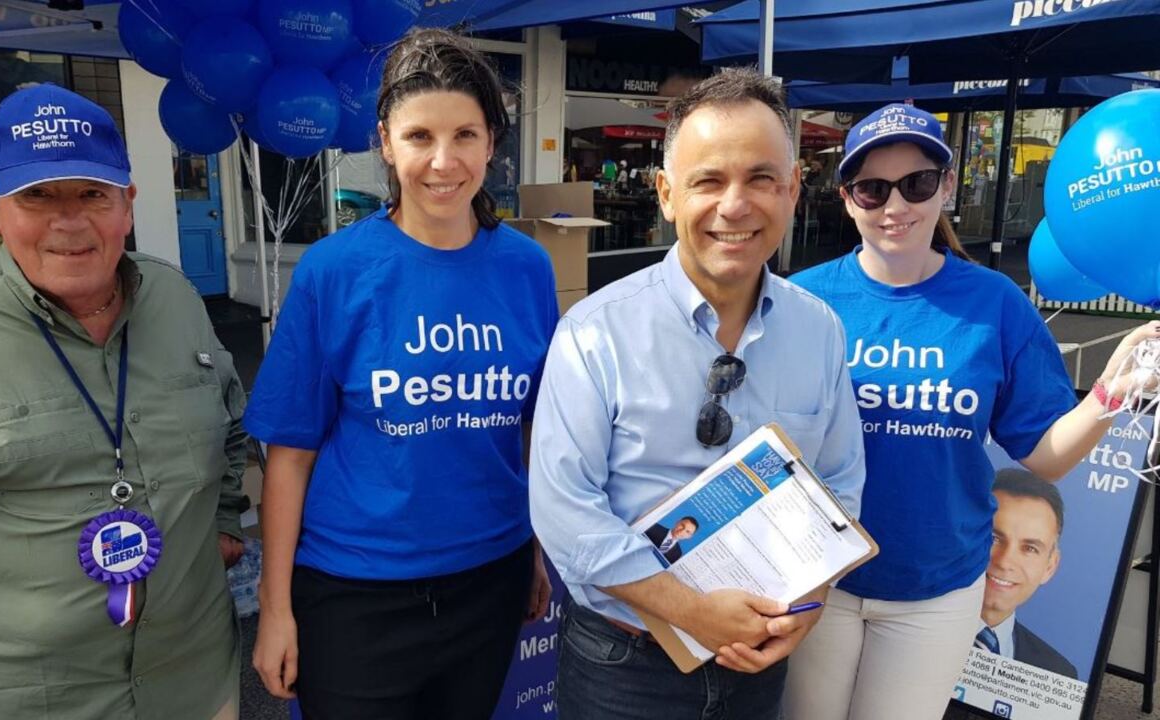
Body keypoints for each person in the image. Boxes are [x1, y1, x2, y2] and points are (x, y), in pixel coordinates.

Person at [0, 84, 247, 719]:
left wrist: (221, 526)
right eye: (38, 196)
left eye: (91, 194)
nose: (68, 221)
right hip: (27, 703)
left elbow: (232, 429)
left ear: (127, 204)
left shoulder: (177, 301)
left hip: (195, 682)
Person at [783, 103, 1160, 720]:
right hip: (820, 579)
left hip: (936, 590)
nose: (895, 207)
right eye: (873, 189)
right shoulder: (804, 300)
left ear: (948, 186)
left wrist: (1109, 394)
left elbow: (1044, 456)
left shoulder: (996, 304)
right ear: (848, 199)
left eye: (917, 184)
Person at [529, 68, 865, 720]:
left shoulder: (819, 331)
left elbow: (840, 483)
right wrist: (691, 611)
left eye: (762, 178)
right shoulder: (593, 334)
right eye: (708, 180)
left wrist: (810, 604)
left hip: (760, 662)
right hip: (623, 669)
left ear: (794, 188)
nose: (735, 205)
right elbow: (564, 512)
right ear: (665, 194)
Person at [245, 28, 558, 719]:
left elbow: (535, 431)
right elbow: (288, 457)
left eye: (465, 136)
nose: (443, 162)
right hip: (356, 592)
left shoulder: (528, 267)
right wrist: (275, 609)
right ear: (385, 141)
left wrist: (536, 549)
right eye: (419, 137)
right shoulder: (333, 271)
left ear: (491, 144)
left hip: (490, 578)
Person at [977, 469, 1076, 677]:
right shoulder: (899, 632)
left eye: (1030, 548)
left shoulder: (1058, 673)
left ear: (1050, 567)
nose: (1005, 562)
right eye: (993, 538)